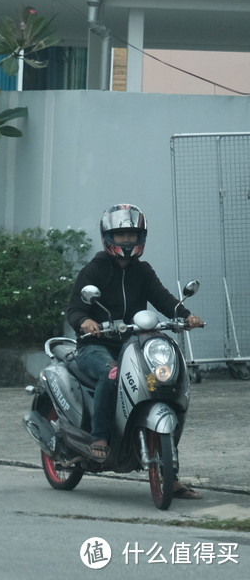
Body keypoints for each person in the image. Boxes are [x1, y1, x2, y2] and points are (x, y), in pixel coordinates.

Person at [66, 203, 204, 499]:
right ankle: (100, 436)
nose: (127, 241)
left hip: (135, 344)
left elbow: (165, 300)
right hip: (96, 346)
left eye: (132, 235)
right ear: (108, 238)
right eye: (121, 235)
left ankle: (171, 476)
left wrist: (186, 316)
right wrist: (86, 321)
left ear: (141, 237)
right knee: (111, 374)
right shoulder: (96, 269)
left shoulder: (143, 271)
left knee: (161, 386)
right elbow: (75, 309)